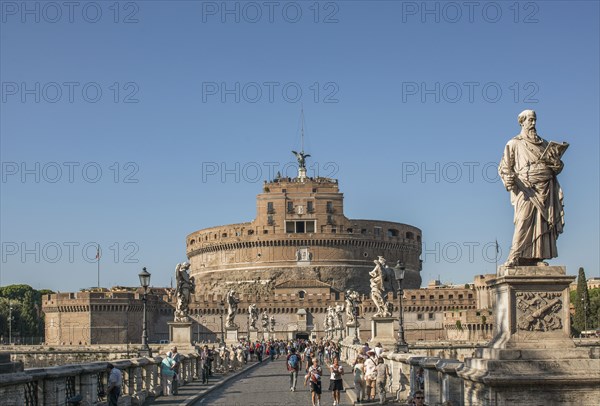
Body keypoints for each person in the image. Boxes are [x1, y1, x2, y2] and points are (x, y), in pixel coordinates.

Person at [498, 109, 566, 267]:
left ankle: (537, 257)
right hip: (525, 187)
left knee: (541, 224)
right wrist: (508, 179)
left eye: (534, 120)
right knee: (524, 221)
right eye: (530, 120)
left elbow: (557, 167)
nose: (533, 123)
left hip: (546, 187)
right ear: (522, 122)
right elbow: (504, 167)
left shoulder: (544, 144)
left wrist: (557, 164)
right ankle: (515, 255)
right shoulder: (514, 143)